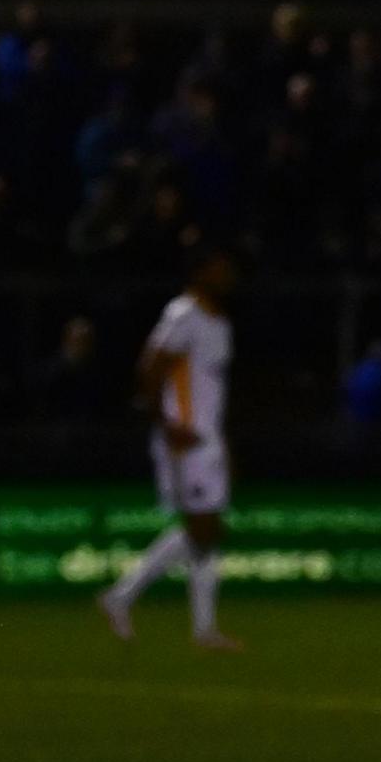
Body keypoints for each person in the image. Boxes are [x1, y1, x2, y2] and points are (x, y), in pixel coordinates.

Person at [100, 249, 245, 651]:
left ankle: (132, 600)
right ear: (200, 273)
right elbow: (150, 366)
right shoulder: (183, 315)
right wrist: (165, 424)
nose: (228, 275)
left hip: (208, 437)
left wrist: (222, 442)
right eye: (220, 268)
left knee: (208, 530)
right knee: (203, 527)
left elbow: (212, 392)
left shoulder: (221, 323)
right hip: (184, 439)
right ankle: (143, 605)